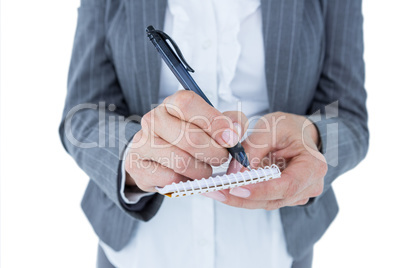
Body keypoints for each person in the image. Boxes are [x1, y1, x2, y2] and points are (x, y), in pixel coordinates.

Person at [59, 0, 369, 267]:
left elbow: (349, 117)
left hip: (274, 250)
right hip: (138, 252)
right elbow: (81, 113)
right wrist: (132, 154)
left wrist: (311, 137)